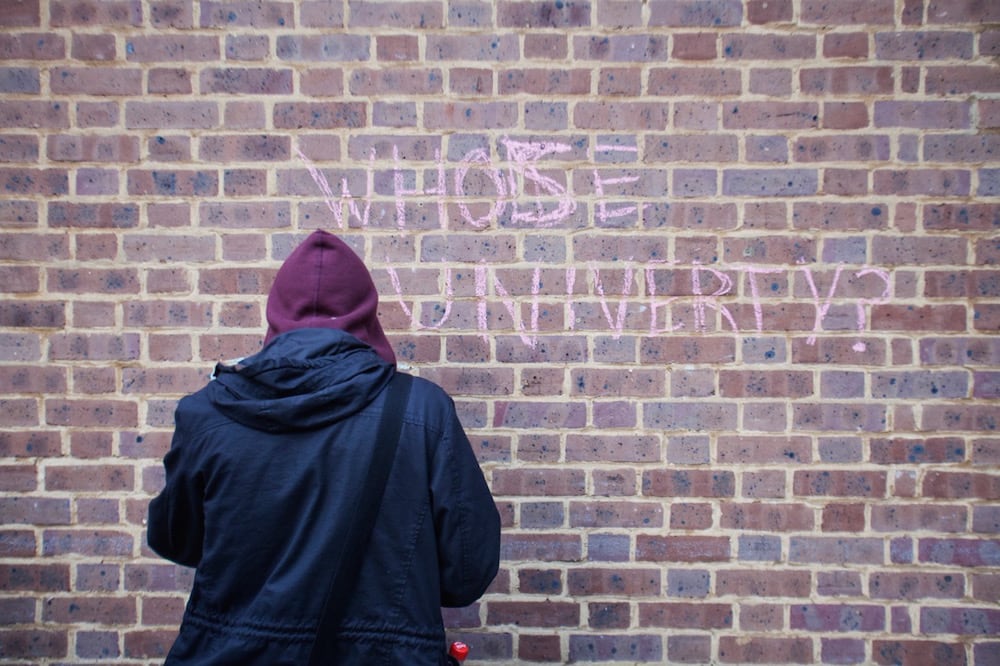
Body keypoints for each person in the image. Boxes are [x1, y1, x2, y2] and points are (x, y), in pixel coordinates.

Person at [147, 229, 501, 665]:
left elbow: (175, 541)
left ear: (275, 314)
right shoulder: (422, 412)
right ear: (365, 313)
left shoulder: (207, 414)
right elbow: (467, 573)